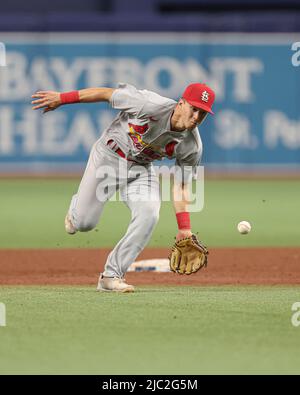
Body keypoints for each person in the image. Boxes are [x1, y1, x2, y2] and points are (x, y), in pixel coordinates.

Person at [31, 82, 215, 293]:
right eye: (194, 109)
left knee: (149, 213)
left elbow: (181, 185)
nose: (196, 118)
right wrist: (62, 98)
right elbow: (105, 94)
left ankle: (111, 276)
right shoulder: (149, 104)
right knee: (84, 223)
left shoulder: (192, 146)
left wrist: (184, 228)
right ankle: (75, 211)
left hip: (141, 170)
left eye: (203, 114)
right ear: (181, 104)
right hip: (108, 158)